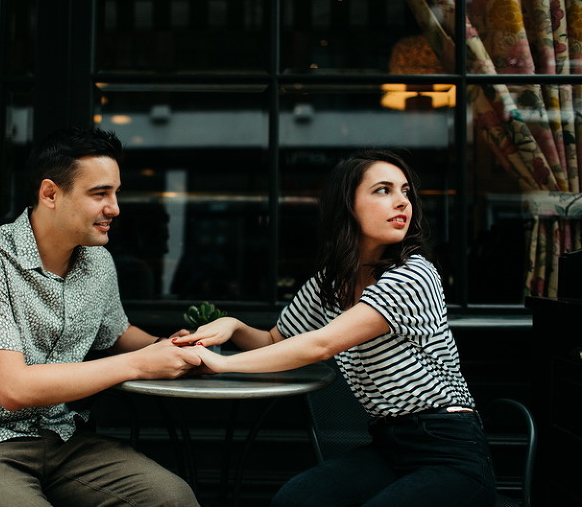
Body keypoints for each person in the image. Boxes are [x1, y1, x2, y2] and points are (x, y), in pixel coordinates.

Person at [175, 150, 496, 507]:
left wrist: (223, 363)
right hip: (388, 448)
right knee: (294, 500)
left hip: (450, 450)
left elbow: (320, 346)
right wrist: (233, 326)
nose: (402, 201)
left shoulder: (414, 274)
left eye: (405, 191)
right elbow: (274, 340)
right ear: (347, 205)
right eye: (383, 190)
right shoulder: (329, 284)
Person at [0, 127, 201, 507]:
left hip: (62, 437)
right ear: (50, 193)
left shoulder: (97, 261)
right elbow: (14, 389)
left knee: (172, 499)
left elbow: (117, 332)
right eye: (100, 194)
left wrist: (171, 346)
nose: (115, 208)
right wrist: (139, 363)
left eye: (115, 193)